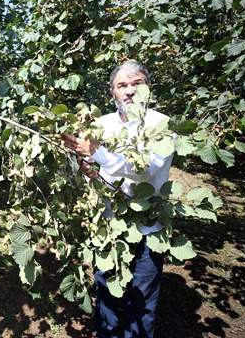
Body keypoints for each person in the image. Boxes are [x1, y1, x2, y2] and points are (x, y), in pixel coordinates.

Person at [61, 60, 173, 338]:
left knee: (143, 300)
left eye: (137, 83)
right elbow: (94, 172)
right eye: (122, 85)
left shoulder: (161, 124)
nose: (130, 91)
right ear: (112, 93)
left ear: (148, 88)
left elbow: (145, 170)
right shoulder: (102, 124)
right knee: (108, 293)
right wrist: (86, 167)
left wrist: (97, 154)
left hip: (150, 228)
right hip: (110, 228)